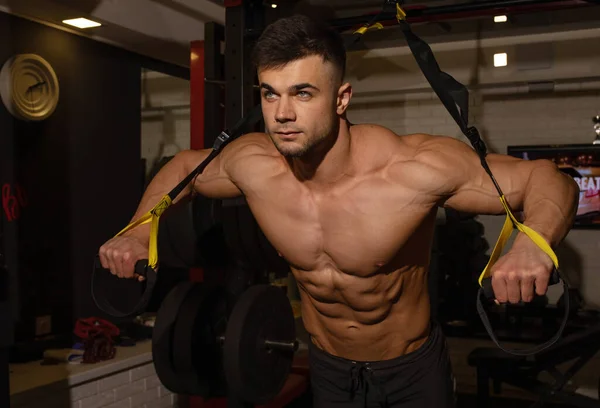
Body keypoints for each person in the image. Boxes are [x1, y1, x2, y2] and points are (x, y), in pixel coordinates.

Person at [99, 14, 579, 408]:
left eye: (302, 93)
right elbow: (184, 166)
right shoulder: (255, 165)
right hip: (329, 370)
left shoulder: (411, 170)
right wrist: (140, 230)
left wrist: (531, 243)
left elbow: (547, 179)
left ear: (342, 97)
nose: (282, 114)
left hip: (411, 373)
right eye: (270, 93)